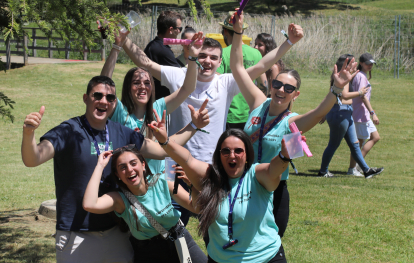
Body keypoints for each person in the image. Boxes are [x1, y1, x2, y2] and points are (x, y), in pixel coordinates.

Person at [229, 11, 383, 244]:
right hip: (242, 183)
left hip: (274, 191)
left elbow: (319, 112)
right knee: (238, 241)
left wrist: (336, 89)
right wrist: (238, 32)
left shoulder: (292, 121)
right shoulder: (257, 103)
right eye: (278, 84)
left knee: (269, 246)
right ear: (271, 85)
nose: (281, 90)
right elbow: (238, 68)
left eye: (288, 88)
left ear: (296, 94)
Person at [21, 76, 208, 263]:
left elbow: (160, 150)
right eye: (98, 95)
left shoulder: (121, 132)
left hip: (116, 233)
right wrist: (29, 134)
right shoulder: (68, 131)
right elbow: (33, 159)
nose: (104, 101)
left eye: (110, 98)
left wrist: (194, 126)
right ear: (86, 98)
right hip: (77, 232)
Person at [120, 22, 303, 166]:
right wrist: (123, 40)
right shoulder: (179, 75)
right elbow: (146, 63)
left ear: (219, 62)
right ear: (195, 55)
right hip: (174, 160)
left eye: (213, 57)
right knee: (175, 212)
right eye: (203, 56)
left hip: (211, 161)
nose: (207, 61)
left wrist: (289, 42)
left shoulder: (226, 82)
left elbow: (261, 66)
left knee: (210, 213)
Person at [148, 115, 292, 262]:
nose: (232, 155)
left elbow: (272, 171)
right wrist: (164, 141)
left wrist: (283, 156)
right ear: (219, 155)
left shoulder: (256, 175)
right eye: (226, 151)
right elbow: (187, 159)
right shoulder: (211, 177)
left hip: (265, 258)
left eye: (238, 151)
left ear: (247, 155)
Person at [101, 30, 205, 226]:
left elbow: (187, 89)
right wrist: (116, 47)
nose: (142, 86)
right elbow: (104, 88)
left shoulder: (158, 108)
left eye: (147, 83)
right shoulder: (120, 113)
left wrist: (192, 57)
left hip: (158, 189)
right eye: (136, 82)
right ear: (127, 87)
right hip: (130, 191)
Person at [82, 144, 207, 263]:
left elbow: (195, 207)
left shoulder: (164, 181)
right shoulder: (119, 199)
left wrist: (192, 187)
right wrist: (100, 166)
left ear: (143, 165)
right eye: (123, 167)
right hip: (149, 252)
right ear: (117, 174)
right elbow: (89, 204)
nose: (130, 169)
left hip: (180, 240)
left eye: (133, 163)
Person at [318, 54, 384, 178]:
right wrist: (359, 93)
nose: (355, 65)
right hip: (340, 114)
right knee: (333, 144)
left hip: (346, 113)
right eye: (353, 63)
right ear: (346, 65)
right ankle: (323, 171)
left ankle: (366, 171)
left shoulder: (343, 77)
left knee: (355, 144)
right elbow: (344, 96)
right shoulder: (343, 77)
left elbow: (332, 96)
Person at [218, 11, 267, 129]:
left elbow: (216, 84)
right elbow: (263, 85)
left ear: (224, 31)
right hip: (251, 113)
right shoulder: (256, 53)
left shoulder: (222, 53)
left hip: (228, 115)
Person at [348, 53, 382, 175]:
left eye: (371, 63)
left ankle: (358, 166)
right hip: (360, 114)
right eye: (368, 63)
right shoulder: (361, 76)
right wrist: (373, 113)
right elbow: (362, 97)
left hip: (364, 114)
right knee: (358, 143)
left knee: (375, 137)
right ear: (361, 63)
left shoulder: (361, 75)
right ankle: (352, 169)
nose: (370, 65)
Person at [144, 10, 184, 99]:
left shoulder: (153, 45)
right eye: (179, 28)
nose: (179, 31)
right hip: (161, 102)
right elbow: (180, 76)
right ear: (170, 30)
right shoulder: (163, 51)